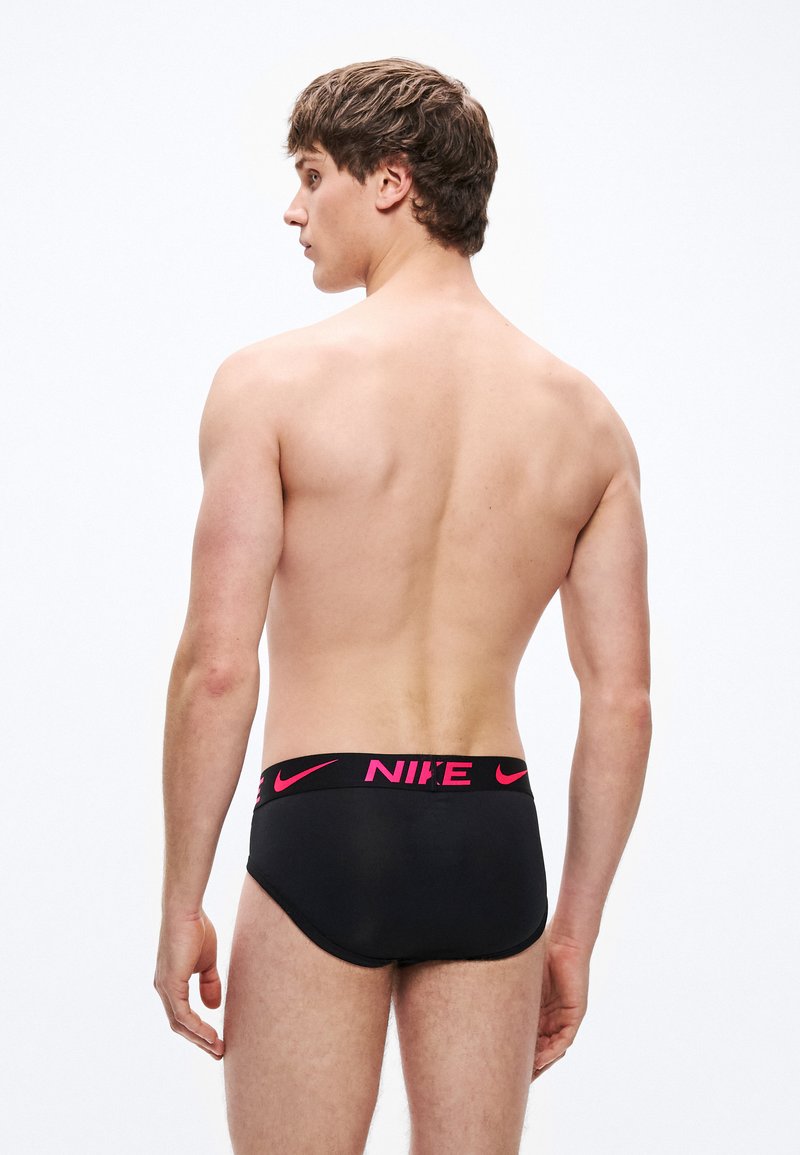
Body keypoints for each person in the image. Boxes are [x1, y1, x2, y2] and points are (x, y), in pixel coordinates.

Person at [153, 56, 652, 1154]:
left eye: (311, 174)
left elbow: (218, 665)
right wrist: (573, 928)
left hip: (326, 818)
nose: (294, 210)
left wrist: (183, 898)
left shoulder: (269, 386)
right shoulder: (588, 424)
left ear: (389, 181)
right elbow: (620, 702)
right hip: (491, 831)